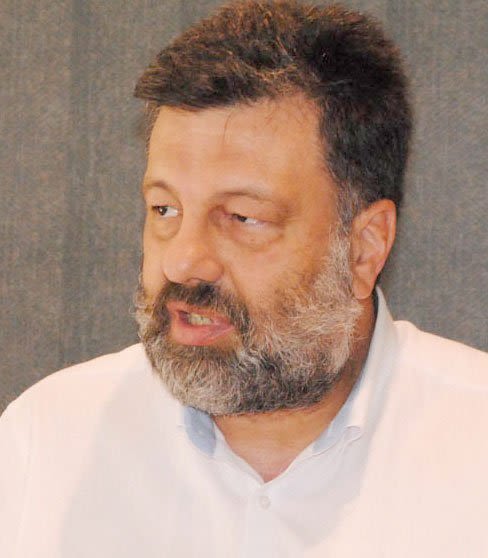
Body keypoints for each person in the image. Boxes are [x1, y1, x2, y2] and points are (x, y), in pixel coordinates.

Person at [1, 1, 487, 556]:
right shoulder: (47, 442)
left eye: (241, 217)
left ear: (364, 247)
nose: (182, 262)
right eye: (164, 210)